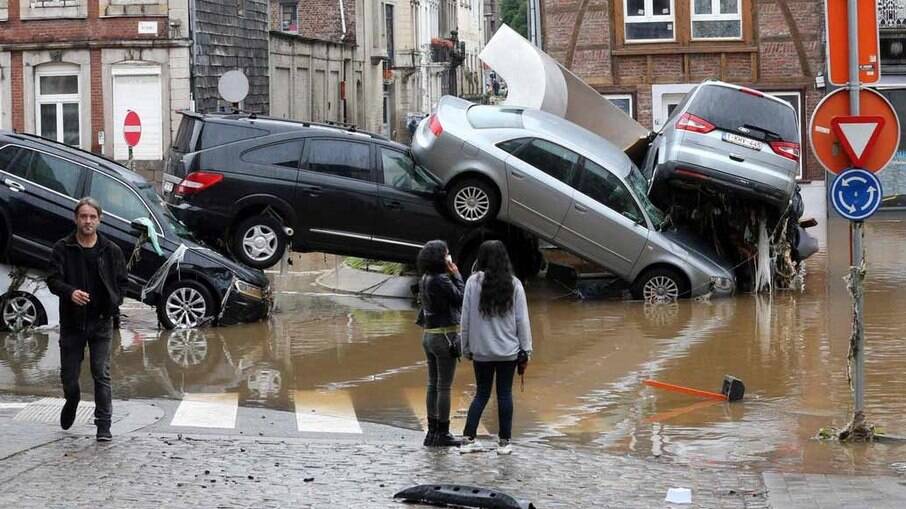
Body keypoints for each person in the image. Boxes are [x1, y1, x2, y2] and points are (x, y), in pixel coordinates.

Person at [47, 197, 128, 441]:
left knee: (100, 373)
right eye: (83, 216)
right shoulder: (63, 247)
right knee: (69, 377)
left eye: (92, 217)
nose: (88, 221)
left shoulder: (110, 250)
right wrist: (70, 292)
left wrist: (115, 302)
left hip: (101, 321)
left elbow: (123, 283)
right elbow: (52, 280)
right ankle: (72, 400)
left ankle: (104, 426)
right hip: (72, 322)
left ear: (99, 220)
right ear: (76, 219)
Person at [460, 240, 532, 455]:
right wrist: (526, 350)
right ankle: (504, 443)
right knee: (504, 395)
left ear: (480, 258)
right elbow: (522, 321)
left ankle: (468, 440)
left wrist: (465, 347)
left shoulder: (473, 282)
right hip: (508, 352)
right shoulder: (514, 284)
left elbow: (465, 318)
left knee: (481, 394)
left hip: (481, 351)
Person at [416, 240, 465, 447]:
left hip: (429, 336)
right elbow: (462, 298)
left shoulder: (425, 278)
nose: (449, 257)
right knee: (444, 386)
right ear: (440, 258)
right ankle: (443, 432)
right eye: (447, 254)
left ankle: (432, 432)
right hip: (445, 337)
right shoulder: (442, 280)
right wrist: (457, 275)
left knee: (432, 384)